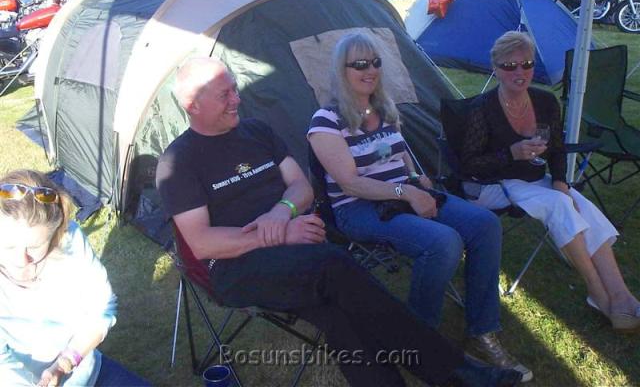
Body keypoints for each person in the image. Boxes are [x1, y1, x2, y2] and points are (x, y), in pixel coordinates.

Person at [156, 56, 523, 387]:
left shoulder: (257, 132)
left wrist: (282, 210)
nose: (236, 99)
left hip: (296, 250)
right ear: (192, 105)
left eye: (235, 89)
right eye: (224, 94)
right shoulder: (179, 161)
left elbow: (301, 186)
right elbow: (202, 243)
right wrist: (281, 233)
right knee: (335, 266)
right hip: (236, 266)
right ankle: (457, 371)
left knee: (338, 314)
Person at [307, 33, 532, 382]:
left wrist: (415, 178)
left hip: (403, 193)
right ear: (342, 70)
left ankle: (483, 330)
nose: (370, 70)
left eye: (375, 62)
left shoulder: (382, 108)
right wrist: (407, 193)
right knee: (443, 242)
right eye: (360, 64)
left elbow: (399, 155)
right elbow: (350, 183)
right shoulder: (326, 120)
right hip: (359, 208)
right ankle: (416, 341)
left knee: (485, 224)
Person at [459, 31, 640, 333]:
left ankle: (622, 295)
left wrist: (559, 181)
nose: (519, 72)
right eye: (509, 66)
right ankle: (597, 292)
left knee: (580, 204)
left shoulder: (545, 101)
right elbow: (469, 164)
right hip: (495, 184)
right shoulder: (483, 108)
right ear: (495, 68)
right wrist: (511, 153)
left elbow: (556, 149)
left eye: (527, 64)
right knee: (559, 205)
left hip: (534, 179)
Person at [0, 169, 149, 386]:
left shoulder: (69, 240)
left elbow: (102, 308)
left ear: (55, 235)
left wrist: (64, 364)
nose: (21, 260)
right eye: (8, 246)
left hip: (85, 372)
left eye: (34, 247)